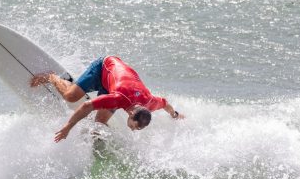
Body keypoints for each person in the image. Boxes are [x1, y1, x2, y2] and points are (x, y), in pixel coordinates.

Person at [30, 56, 184, 142]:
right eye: (134, 126)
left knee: (100, 123)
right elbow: (86, 106)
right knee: (71, 96)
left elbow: (165, 103)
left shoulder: (149, 102)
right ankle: (51, 76)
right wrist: (67, 128)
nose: (133, 129)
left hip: (115, 82)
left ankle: (95, 143)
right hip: (104, 67)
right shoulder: (119, 99)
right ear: (131, 114)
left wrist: (175, 115)